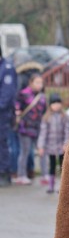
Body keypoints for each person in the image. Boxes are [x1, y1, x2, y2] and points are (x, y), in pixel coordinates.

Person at [13, 74, 46, 185]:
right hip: (25, 127)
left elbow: (44, 112)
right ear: (31, 83)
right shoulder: (23, 94)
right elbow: (17, 107)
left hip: (38, 127)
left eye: (41, 83)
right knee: (25, 152)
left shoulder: (42, 96)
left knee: (42, 150)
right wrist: (17, 112)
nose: (39, 85)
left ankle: (45, 175)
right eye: (37, 82)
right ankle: (21, 175)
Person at [37, 93, 69, 193]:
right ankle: (51, 186)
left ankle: (62, 186)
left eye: (58, 103)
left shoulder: (65, 117)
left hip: (62, 146)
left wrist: (66, 144)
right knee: (52, 165)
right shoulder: (46, 118)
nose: (56, 105)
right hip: (50, 146)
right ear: (50, 105)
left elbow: (67, 131)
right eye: (54, 103)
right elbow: (43, 133)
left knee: (62, 166)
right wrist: (41, 146)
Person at [0, 44, 18, 187]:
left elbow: (7, 94)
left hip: (2, 113)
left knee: (2, 142)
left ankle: (4, 173)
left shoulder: (7, 68)